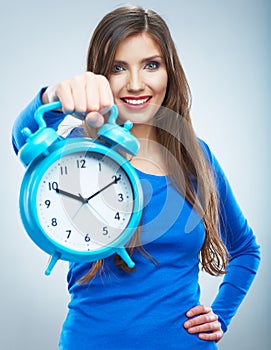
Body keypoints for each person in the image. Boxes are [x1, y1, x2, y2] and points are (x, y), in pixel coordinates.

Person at [12, 5, 260, 350]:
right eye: (118, 67)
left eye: (151, 65)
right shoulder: (76, 151)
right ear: (100, 75)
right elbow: (22, 136)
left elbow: (246, 250)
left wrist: (221, 314)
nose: (136, 84)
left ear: (169, 71)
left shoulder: (195, 157)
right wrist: (53, 97)